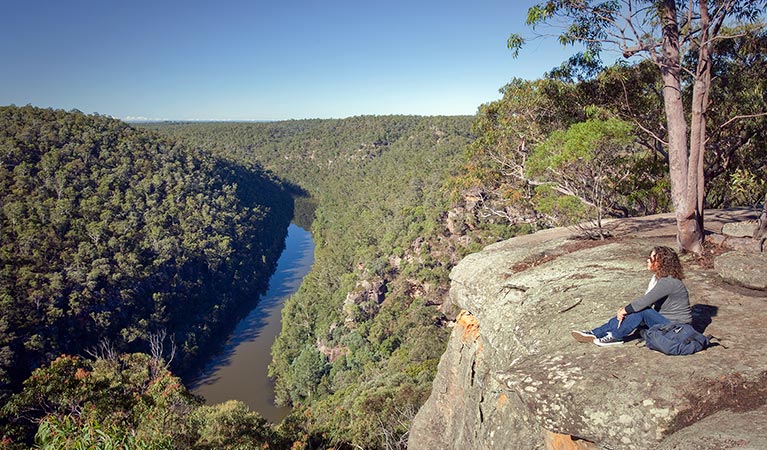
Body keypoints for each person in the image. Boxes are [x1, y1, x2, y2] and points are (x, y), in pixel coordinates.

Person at [571, 245, 692, 347]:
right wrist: (626, 311)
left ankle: (616, 336)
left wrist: (625, 310)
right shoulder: (662, 279)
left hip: (677, 328)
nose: (647, 261)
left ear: (661, 262)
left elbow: (645, 301)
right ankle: (595, 333)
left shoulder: (668, 282)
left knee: (641, 311)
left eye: (651, 258)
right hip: (667, 321)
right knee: (634, 312)